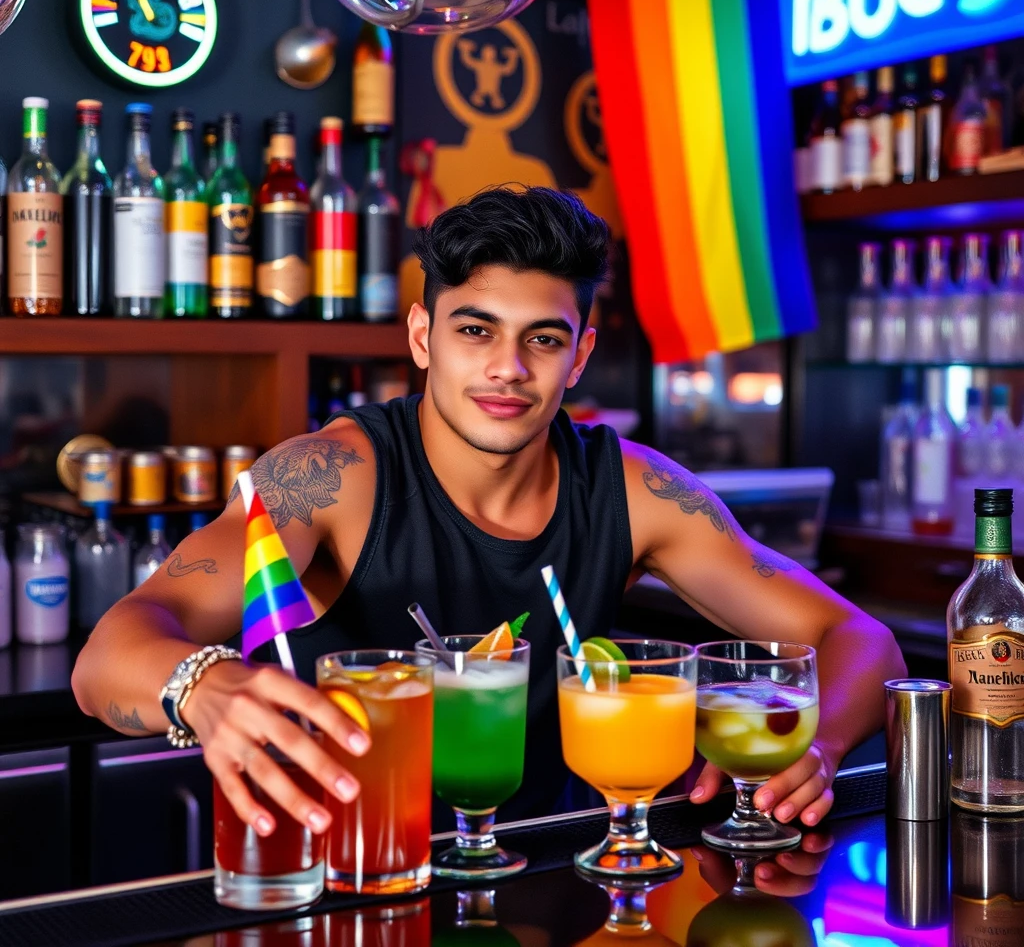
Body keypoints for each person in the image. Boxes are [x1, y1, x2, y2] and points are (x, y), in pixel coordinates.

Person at [73, 186, 906, 840]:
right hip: (358, 880)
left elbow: (862, 639)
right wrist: (204, 685)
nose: (508, 367)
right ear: (424, 337)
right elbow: (108, 657)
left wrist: (820, 749)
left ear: (578, 354)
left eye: (543, 338)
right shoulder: (331, 476)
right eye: (476, 329)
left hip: (561, 874)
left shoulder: (633, 489)